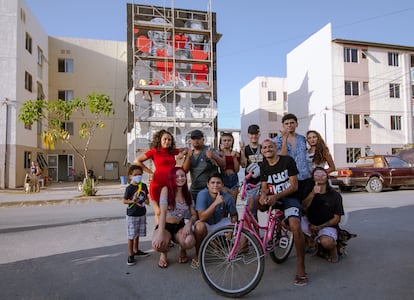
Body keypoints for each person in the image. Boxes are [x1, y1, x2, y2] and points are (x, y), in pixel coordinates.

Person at [257, 138, 308, 286]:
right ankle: (260, 239)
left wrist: (275, 196)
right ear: (262, 151)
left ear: (276, 148)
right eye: (264, 147)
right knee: (253, 202)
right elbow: (264, 185)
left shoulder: (287, 161)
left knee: (295, 225)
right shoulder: (264, 165)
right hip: (274, 199)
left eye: (270, 147)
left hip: (289, 198)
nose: (267, 149)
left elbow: (294, 186)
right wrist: (263, 195)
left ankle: (301, 265)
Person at [134, 129, 187, 224]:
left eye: (169, 140)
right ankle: (158, 235)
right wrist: (150, 172)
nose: (167, 141)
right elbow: (137, 161)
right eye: (165, 139)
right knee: (158, 212)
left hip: (171, 186)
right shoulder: (154, 151)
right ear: (160, 140)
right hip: (158, 185)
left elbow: (186, 149)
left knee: (170, 212)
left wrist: (181, 154)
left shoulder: (172, 151)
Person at [151, 167, 198, 268]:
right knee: (157, 244)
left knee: (189, 241)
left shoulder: (187, 194)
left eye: (182, 176)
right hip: (165, 225)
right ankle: (163, 254)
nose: (180, 178)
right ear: (172, 178)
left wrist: (189, 224)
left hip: (179, 226)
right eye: (177, 176)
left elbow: (194, 215)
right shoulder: (166, 190)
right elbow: (162, 212)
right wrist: (160, 233)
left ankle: (182, 248)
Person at [192, 172, 238, 269]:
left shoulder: (227, 197)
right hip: (206, 223)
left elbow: (234, 216)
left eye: (218, 183)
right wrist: (216, 203)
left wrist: (231, 228)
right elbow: (202, 217)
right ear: (208, 185)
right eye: (212, 183)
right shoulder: (202, 194)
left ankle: (234, 250)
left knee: (241, 228)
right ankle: (198, 254)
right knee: (200, 227)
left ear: (222, 185)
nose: (215, 185)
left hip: (219, 222)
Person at [301, 167, 345, 263]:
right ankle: (310, 241)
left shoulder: (335, 195)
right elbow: (303, 207)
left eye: (323, 175)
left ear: (327, 177)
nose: (320, 177)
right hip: (310, 224)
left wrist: (319, 227)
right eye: (317, 175)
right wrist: (313, 194)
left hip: (326, 226)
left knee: (327, 242)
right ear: (313, 178)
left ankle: (333, 248)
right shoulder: (309, 192)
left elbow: (337, 219)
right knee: (289, 223)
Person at [274, 114, 313, 202]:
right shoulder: (277, 140)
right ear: (283, 125)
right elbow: (282, 157)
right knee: (293, 206)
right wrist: (284, 139)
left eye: (292, 123)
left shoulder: (302, 138)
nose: (289, 125)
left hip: (305, 177)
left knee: (306, 205)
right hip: (289, 179)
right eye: (286, 123)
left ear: (296, 124)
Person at [182, 129, 225, 202]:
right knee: (194, 212)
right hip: (194, 190)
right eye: (194, 139)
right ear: (190, 141)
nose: (196, 141)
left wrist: (213, 157)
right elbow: (184, 171)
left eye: (198, 138)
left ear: (203, 139)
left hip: (209, 190)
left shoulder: (209, 150)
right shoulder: (190, 153)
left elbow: (222, 165)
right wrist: (188, 157)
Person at [122, 165, 150, 266]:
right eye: (135, 175)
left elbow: (146, 197)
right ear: (130, 176)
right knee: (131, 235)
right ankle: (130, 254)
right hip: (132, 214)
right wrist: (131, 201)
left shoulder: (143, 186)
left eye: (140, 174)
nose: (138, 176)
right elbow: (124, 200)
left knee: (137, 233)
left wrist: (147, 201)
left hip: (141, 213)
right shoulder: (129, 188)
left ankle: (136, 249)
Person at [240, 124, 263, 215]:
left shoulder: (263, 147)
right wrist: (242, 151)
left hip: (263, 182)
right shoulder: (245, 149)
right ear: (248, 135)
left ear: (259, 134)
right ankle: (253, 229)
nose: (254, 136)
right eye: (252, 134)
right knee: (251, 210)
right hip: (251, 183)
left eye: (256, 134)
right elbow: (243, 165)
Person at [218, 132, 240, 202]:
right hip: (223, 179)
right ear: (221, 142)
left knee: (233, 205)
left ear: (232, 142)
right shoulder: (218, 153)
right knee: (224, 205)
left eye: (229, 140)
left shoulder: (235, 153)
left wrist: (234, 158)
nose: (227, 142)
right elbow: (223, 167)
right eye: (224, 140)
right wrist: (223, 154)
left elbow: (237, 170)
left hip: (234, 178)